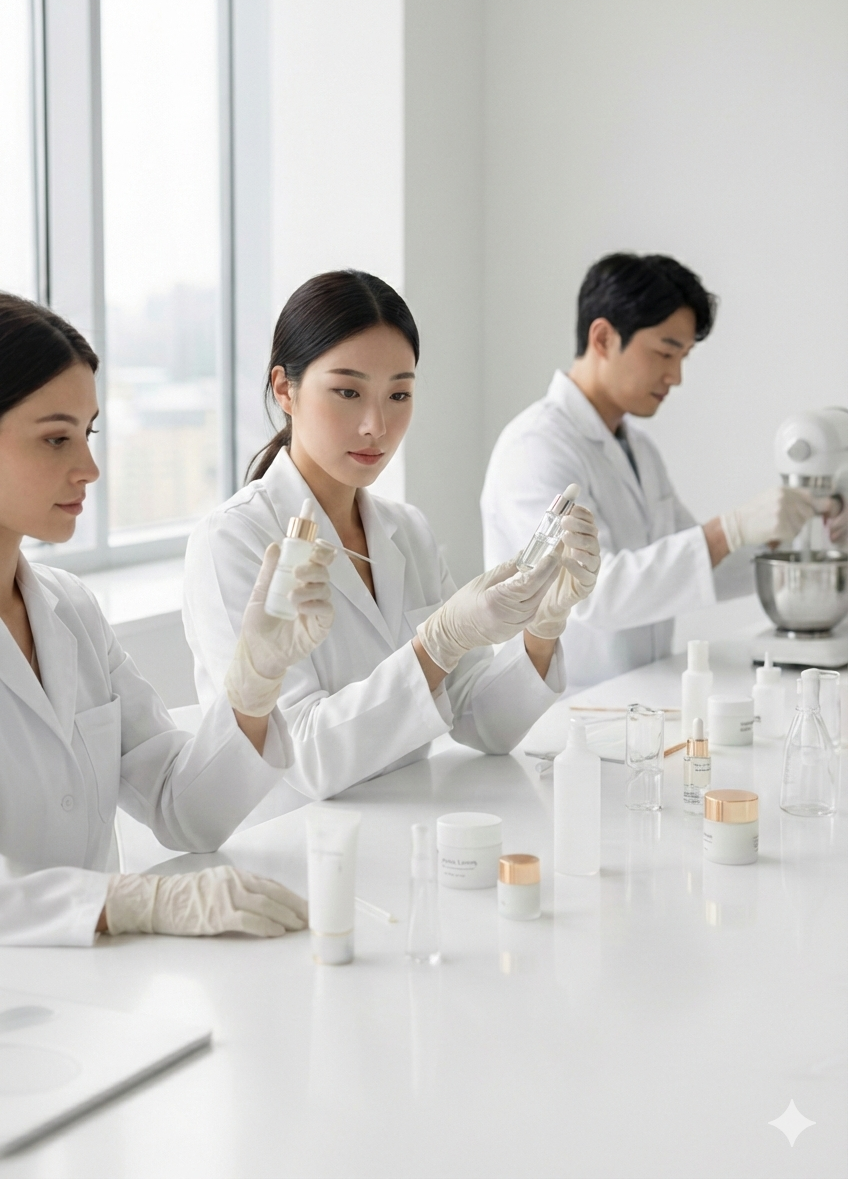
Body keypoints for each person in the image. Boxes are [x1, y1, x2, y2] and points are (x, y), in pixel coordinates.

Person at [183, 270, 601, 813]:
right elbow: (306, 758)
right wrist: (436, 645)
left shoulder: (408, 532)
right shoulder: (234, 540)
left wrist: (543, 628)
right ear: (285, 389)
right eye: (347, 392)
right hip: (295, 846)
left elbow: (483, 724)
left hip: (410, 829)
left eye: (399, 394)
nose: (376, 425)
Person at [0, 293, 335, 945]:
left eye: (88, 433)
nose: (89, 467)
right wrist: (133, 902)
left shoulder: (68, 611)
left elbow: (184, 812)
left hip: (100, 1004)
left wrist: (254, 684)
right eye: (55, 437)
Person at [481, 252, 821, 689]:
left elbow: (695, 568)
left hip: (633, 697)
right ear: (603, 337)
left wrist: (804, 541)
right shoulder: (535, 448)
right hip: (560, 711)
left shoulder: (637, 448)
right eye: (666, 352)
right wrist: (727, 529)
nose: (676, 376)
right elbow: (593, 593)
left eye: (684, 357)